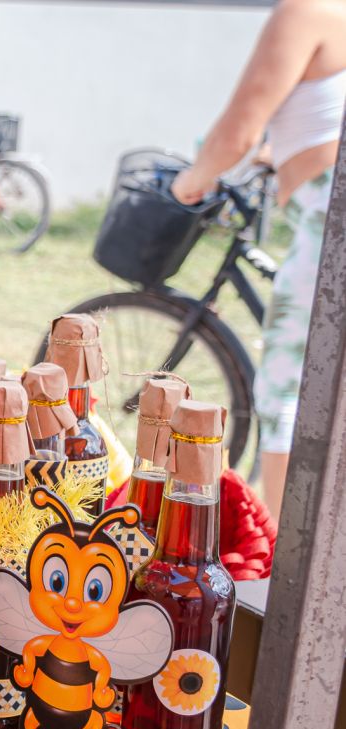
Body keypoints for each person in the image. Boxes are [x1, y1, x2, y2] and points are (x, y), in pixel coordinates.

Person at [171, 0, 346, 524]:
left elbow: (236, 133)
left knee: (290, 393)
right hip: (322, 213)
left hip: (329, 225)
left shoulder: (306, 11)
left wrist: (190, 181)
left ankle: (289, 561)